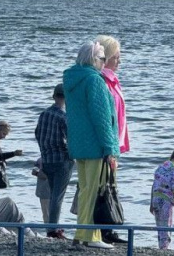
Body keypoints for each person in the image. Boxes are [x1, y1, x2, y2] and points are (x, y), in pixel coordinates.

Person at [64, 41, 119, 250]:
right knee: (95, 190)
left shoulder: (72, 79)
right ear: (93, 59)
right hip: (96, 145)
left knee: (86, 189)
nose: (104, 62)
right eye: (102, 58)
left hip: (79, 143)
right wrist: (110, 148)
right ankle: (90, 235)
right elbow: (102, 118)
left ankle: (81, 234)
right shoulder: (94, 81)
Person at [95, 35, 130, 244]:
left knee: (110, 186)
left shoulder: (113, 81)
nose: (119, 61)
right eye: (116, 57)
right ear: (106, 58)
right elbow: (106, 116)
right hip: (108, 144)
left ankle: (110, 227)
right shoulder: (103, 81)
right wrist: (110, 147)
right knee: (104, 187)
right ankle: (105, 229)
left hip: (114, 143)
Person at [35, 82, 74, 240]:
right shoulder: (64, 116)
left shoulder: (44, 114)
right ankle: (53, 229)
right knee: (58, 196)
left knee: (53, 195)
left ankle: (51, 226)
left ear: (54, 96)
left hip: (47, 159)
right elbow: (70, 140)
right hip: (61, 159)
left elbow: (38, 134)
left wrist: (44, 152)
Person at [150, 146, 174, 250]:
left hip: (156, 199)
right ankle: (164, 249)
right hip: (166, 200)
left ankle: (161, 248)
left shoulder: (161, 167)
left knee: (159, 227)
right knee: (167, 226)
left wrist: (151, 204)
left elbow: (154, 185)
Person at [32, 158, 51, 223]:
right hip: (45, 190)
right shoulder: (41, 159)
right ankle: (51, 230)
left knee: (46, 214)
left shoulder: (41, 159)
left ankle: (50, 230)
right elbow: (34, 171)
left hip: (45, 191)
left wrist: (37, 173)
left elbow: (35, 172)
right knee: (48, 214)